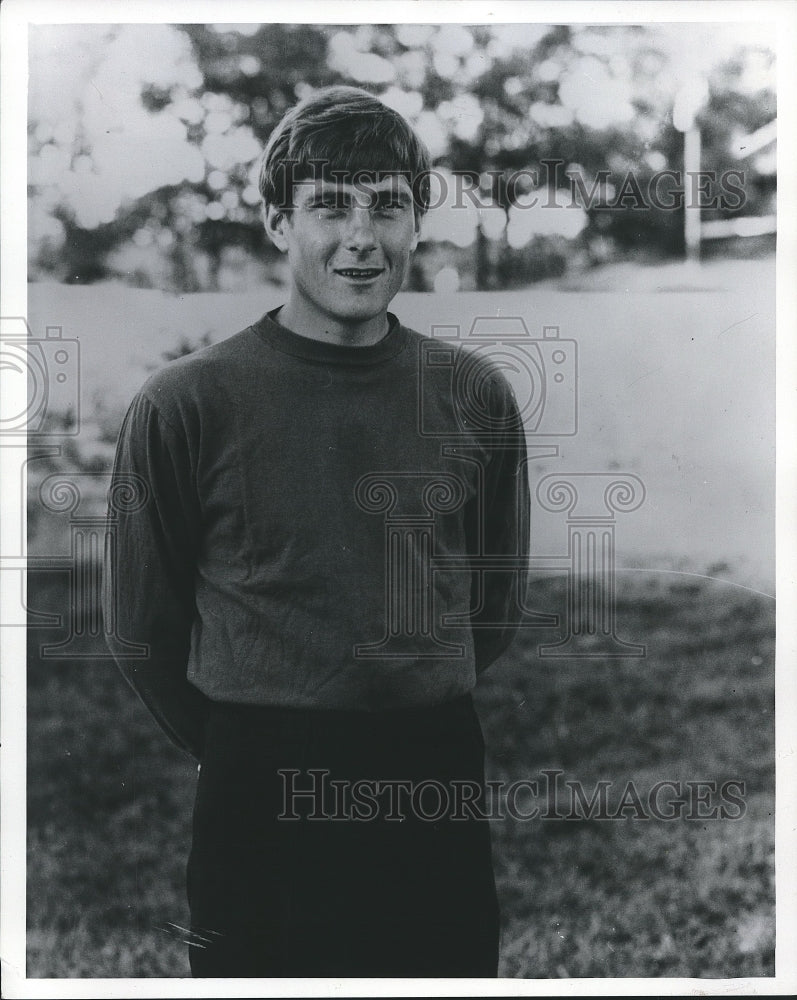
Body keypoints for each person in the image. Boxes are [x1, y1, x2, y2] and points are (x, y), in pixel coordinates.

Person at [103, 85, 530, 979]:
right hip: (263, 780)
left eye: (388, 205)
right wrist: (247, 744)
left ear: (418, 222)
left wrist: (402, 698)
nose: (361, 236)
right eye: (330, 205)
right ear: (275, 221)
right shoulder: (188, 404)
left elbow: (493, 603)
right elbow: (140, 627)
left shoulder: (472, 395)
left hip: (430, 767)